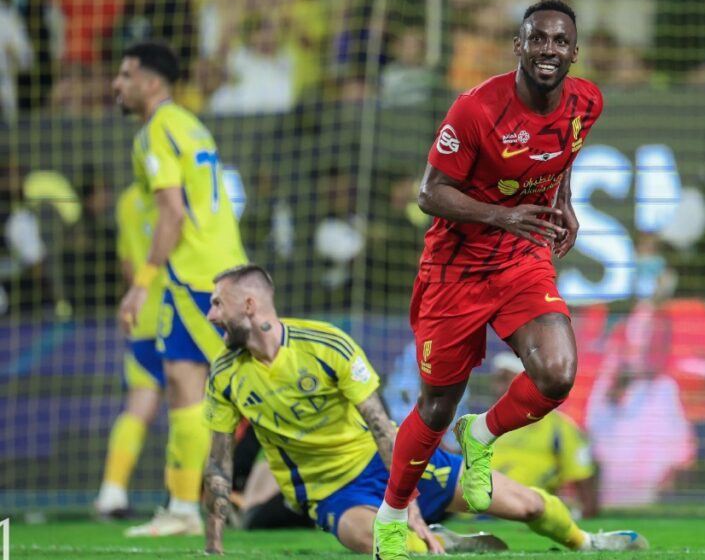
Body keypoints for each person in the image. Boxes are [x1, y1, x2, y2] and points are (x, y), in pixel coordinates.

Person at [201, 264, 649, 555]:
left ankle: (587, 541)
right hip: (332, 493)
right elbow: (219, 461)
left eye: (217, 303)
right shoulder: (224, 375)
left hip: (389, 465)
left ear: (249, 304)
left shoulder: (327, 346)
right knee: (396, 549)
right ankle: (439, 541)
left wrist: (404, 501)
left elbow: (380, 426)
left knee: (529, 506)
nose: (210, 315)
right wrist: (213, 544)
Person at [374, 0, 606, 559]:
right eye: (538, 39)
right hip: (454, 269)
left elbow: (564, 149)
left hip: (521, 257)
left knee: (557, 373)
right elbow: (430, 193)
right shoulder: (476, 110)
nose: (548, 49)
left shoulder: (587, 101)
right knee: (435, 407)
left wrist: (565, 202)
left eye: (559, 41)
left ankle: (481, 434)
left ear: (573, 52)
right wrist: (503, 214)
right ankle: (390, 517)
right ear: (519, 46)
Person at [112, 40, 248, 536]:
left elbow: (173, 212)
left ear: (151, 82)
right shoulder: (190, 123)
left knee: (249, 388)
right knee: (183, 384)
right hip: (210, 268)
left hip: (196, 275)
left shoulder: (156, 131)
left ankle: (373, 484)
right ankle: (182, 508)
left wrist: (140, 285)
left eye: (125, 75)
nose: (116, 84)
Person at [93, 182, 166, 518]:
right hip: (181, 315)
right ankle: (188, 498)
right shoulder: (180, 194)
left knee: (139, 405)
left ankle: (111, 491)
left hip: (143, 317)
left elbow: (127, 264)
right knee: (195, 406)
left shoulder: (127, 199)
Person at [489, 352, 599, 518]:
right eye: (497, 380)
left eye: (505, 380)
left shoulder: (561, 429)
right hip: (472, 514)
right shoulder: (484, 422)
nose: (498, 388)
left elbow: (584, 484)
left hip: (524, 514)